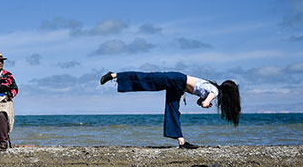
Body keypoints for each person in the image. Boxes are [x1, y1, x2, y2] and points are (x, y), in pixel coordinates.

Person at [100, 71, 241, 148]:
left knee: (173, 111)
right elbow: (204, 104)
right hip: (177, 80)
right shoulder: (215, 91)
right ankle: (114, 75)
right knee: (148, 78)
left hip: (179, 85)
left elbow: (200, 100)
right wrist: (206, 104)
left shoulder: (212, 88)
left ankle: (181, 142)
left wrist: (203, 102)